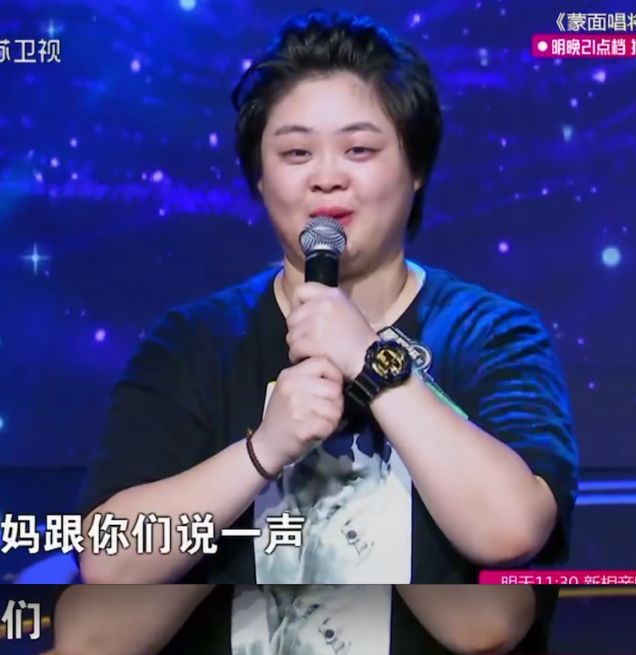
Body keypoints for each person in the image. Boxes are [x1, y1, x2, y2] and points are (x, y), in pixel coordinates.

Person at [69, 8, 579, 654]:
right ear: (260, 176)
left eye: (359, 149)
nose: (327, 176)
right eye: (295, 153)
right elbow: (108, 568)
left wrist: (371, 361)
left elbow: (506, 546)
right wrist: (264, 450)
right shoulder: (194, 342)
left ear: (416, 167)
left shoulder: (492, 334)